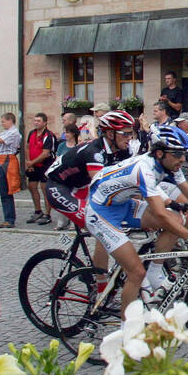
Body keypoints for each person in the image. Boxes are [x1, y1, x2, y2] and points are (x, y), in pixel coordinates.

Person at [85, 124, 188, 311]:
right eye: (177, 154)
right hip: (100, 211)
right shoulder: (145, 169)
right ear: (159, 153)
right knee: (136, 272)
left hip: (123, 204)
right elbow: (159, 212)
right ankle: (128, 333)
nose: (182, 159)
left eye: (183, 153)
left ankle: (155, 271)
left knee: (176, 219)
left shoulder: (171, 164)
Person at [44, 110, 138, 268]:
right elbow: (104, 186)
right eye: (125, 134)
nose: (130, 138)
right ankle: (100, 287)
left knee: (108, 227)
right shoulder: (94, 153)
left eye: (131, 133)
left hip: (82, 186)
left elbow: (132, 179)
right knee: (104, 228)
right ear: (110, 134)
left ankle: (97, 275)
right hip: (59, 187)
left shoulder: (123, 150)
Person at [24, 113, 58, 225]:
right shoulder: (31, 133)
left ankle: (47, 214)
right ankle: (38, 211)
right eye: (35, 120)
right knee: (32, 186)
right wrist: (29, 163)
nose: (36, 123)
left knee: (45, 189)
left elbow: (45, 154)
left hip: (45, 165)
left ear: (44, 122)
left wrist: (31, 163)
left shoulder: (49, 135)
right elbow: (27, 147)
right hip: (33, 165)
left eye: (38, 121)